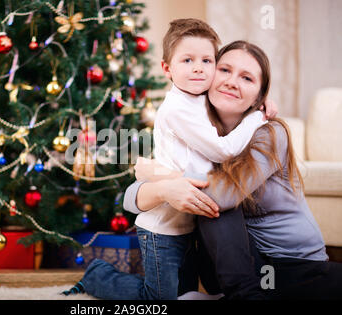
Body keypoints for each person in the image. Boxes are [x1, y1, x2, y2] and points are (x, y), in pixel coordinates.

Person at [62, 19, 275, 300]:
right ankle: (98, 275)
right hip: (162, 227)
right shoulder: (176, 108)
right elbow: (222, 151)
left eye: (207, 60)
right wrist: (256, 117)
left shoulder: (201, 99)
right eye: (187, 60)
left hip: (189, 223)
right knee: (158, 299)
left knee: (183, 292)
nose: (198, 67)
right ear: (167, 68)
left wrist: (261, 101)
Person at [126, 40, 342, 300]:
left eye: (247, 78)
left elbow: (220, 197)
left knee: (215, 200)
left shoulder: (270, 133)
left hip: (294, 265)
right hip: (233, 268)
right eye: (225, 70)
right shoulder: (195, 127)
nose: (231, 81)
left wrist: (160, 175)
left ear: (260, 96)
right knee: (210, 201)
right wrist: (159, 187)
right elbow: (130, 198)